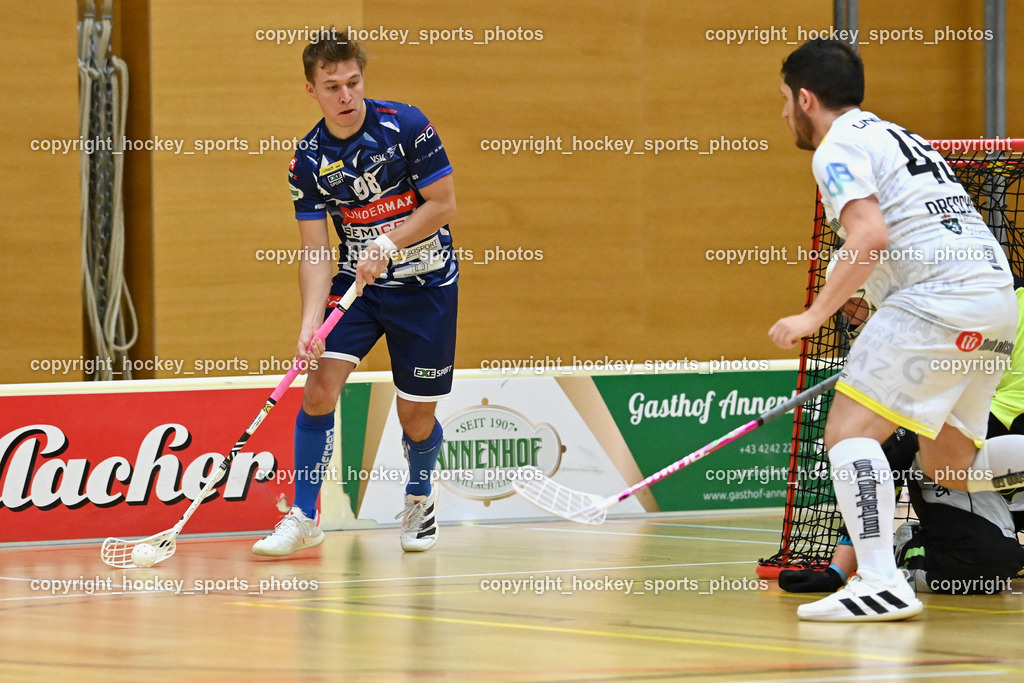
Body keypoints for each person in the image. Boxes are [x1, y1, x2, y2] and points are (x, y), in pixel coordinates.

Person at [770, 38, 1024, 621]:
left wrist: (812, 316)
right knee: (951, 467)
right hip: (992, 298)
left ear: (806, 98)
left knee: (848, 434)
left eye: (784, 100)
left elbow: (869, 236)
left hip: (940, 299)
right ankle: (879, 579)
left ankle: (880, 582)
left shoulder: (837, 148)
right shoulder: (898, 136)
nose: (783, 113)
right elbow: (893, 239)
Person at [253, 30, 458, 556]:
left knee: (416, 418)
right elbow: (315, 249)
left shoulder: (406, 125)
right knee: (319, 389)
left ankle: (419, 497)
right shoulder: (308, 159)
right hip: (358, 285)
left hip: (426, 284)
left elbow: (443, 205)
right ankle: (304, 516)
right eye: (332, 87)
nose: (346, 96)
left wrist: (387, 242)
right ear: (311, 90)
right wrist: (308, 325)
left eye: (353, 82)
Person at [780, 427, 1024, 596]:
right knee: (987, 565)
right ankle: (904, 551)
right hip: (953, 464)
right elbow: (887, 463)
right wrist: (837, 574)